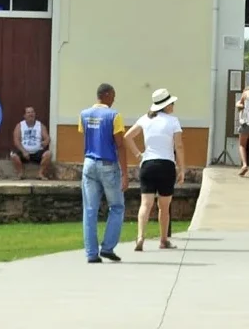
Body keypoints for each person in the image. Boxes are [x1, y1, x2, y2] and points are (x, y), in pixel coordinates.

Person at [124, 88, 186, 251]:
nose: (173, 105)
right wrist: (182, 169)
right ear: (166, 106)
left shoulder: (145, 119)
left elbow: (127, 136)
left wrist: (138, 155)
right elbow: (178, 146)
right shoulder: (173, 121)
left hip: (148, 164)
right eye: (171, 103)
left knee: (145, 203)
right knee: (164, 206)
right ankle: (163, 240)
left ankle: (140, 237)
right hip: (166, 165)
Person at [79, 83, 128, 263]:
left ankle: (91, 253)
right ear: (106, 94)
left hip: (89, 162)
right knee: (116, 206)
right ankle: (107, 247)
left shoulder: (84, 115)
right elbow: (120, 145)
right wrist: (125, 173)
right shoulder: (114, 116)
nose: (114, 99)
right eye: (113, 95)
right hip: (108, 164)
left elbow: (86, 137)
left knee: (90, 209)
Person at [9, 106, 53, 180]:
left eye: (32, 112)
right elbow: (16, 141)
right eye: (28, 112)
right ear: (25, 115)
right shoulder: (20, 125)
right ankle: (20, 174)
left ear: (35, 114)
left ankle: (40, 174)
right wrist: (24, 151)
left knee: (48, 154)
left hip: (37, 152)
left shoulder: (40, 125)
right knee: (13, 155)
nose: (31, 114)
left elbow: (47, 138)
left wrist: (45, 142)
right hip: (24, 152)